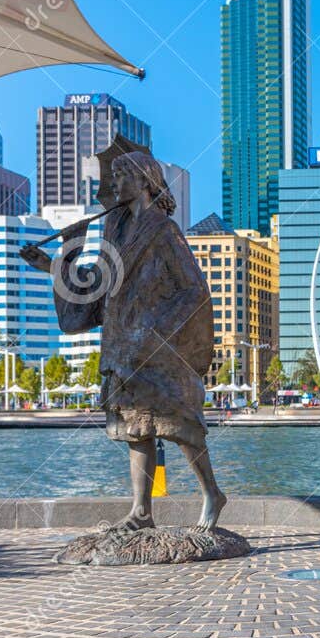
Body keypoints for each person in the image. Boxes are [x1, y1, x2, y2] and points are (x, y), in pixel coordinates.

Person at [20, 150, 225, 531]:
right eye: (112, 175)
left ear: (145, 179)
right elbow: (95, 287)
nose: (115, 183)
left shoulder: (163, 231)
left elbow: (194, 291)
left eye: (122, 175)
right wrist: (59, 259)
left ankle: (212, 493)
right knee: (135, 428)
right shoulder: (112, 233)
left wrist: (155, 330)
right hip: (122, 345)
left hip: (157, 347)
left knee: (181, 426)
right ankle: (141, 512)